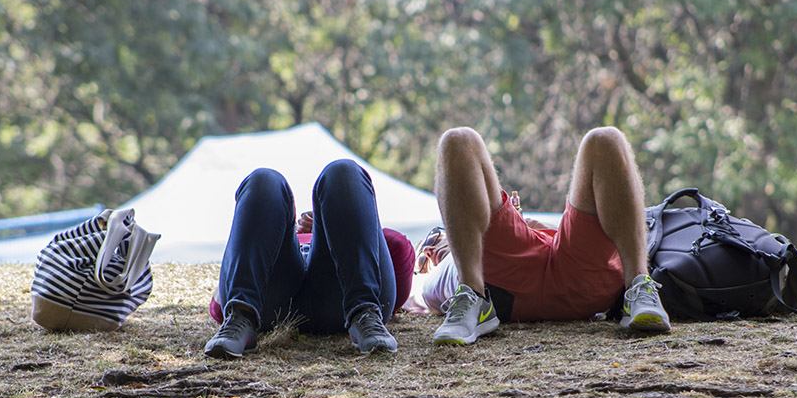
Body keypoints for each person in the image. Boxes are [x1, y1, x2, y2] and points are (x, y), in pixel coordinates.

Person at [426, 125, 670, 345]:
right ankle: (473, 296)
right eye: (432, 241)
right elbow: (426, 293)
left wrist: (532, 225)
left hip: (570, 270)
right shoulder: (438, 274)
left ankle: (639, 287)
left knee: (605, 138)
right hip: (502, 283)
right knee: (456, 140)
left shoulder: (470, 241)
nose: (438, 237)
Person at [204, 159, 414, 359]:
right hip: (271, 301)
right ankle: (241, 315)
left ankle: (365, 313)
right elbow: (217, 307)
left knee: (343, 172)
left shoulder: (342, 231)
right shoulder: (267, 241)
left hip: (343, 293)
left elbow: (399, 247)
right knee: (264, 180)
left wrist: (338, 230)